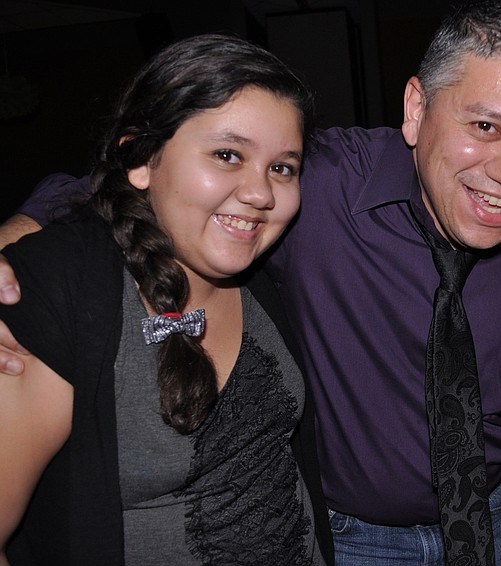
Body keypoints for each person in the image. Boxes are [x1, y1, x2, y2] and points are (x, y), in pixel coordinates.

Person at [0, 2, 501, 563]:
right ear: (417, 110)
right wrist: (19, 236)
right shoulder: (313, 184)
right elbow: (159, 178)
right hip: (354, 538)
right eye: (484, 125)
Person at [0, 34, 332, 565]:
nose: (261, 193)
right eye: (227, 155)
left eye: (282, 167)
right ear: (141, 159)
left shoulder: (264, 273)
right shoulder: (61, 287)